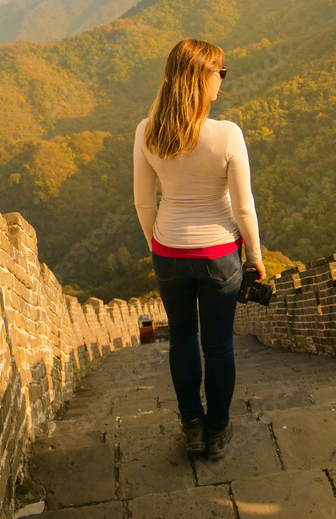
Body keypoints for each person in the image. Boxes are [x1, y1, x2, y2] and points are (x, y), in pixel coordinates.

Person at [132, 38, 266, 461]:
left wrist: (161, 244)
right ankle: (218, 430)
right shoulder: (226, 134)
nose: (222, 80)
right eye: (219, 72)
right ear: (200, 78)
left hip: (168, 252)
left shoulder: (146, 131)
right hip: (219, 255)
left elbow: (141, 202)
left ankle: (191, 427)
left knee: (183, 339)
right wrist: (256, 258)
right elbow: (243, 206)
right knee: (218, 347)